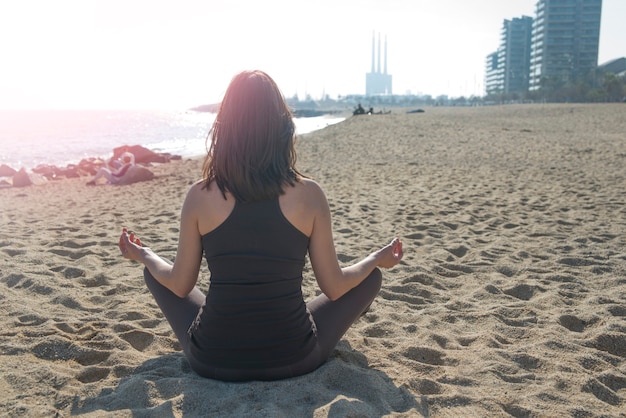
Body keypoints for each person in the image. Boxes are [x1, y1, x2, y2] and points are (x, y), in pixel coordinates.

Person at [118, 70, 404, 382]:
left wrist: (143, 253)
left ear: (225, 127)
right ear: (281, 125)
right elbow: (334, 287)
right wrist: (377, 257)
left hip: (212, 358)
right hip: (294, 357)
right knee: (370, 278)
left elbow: (179, 285)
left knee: (155, 273)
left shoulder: (200, 195)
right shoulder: (309, 194)